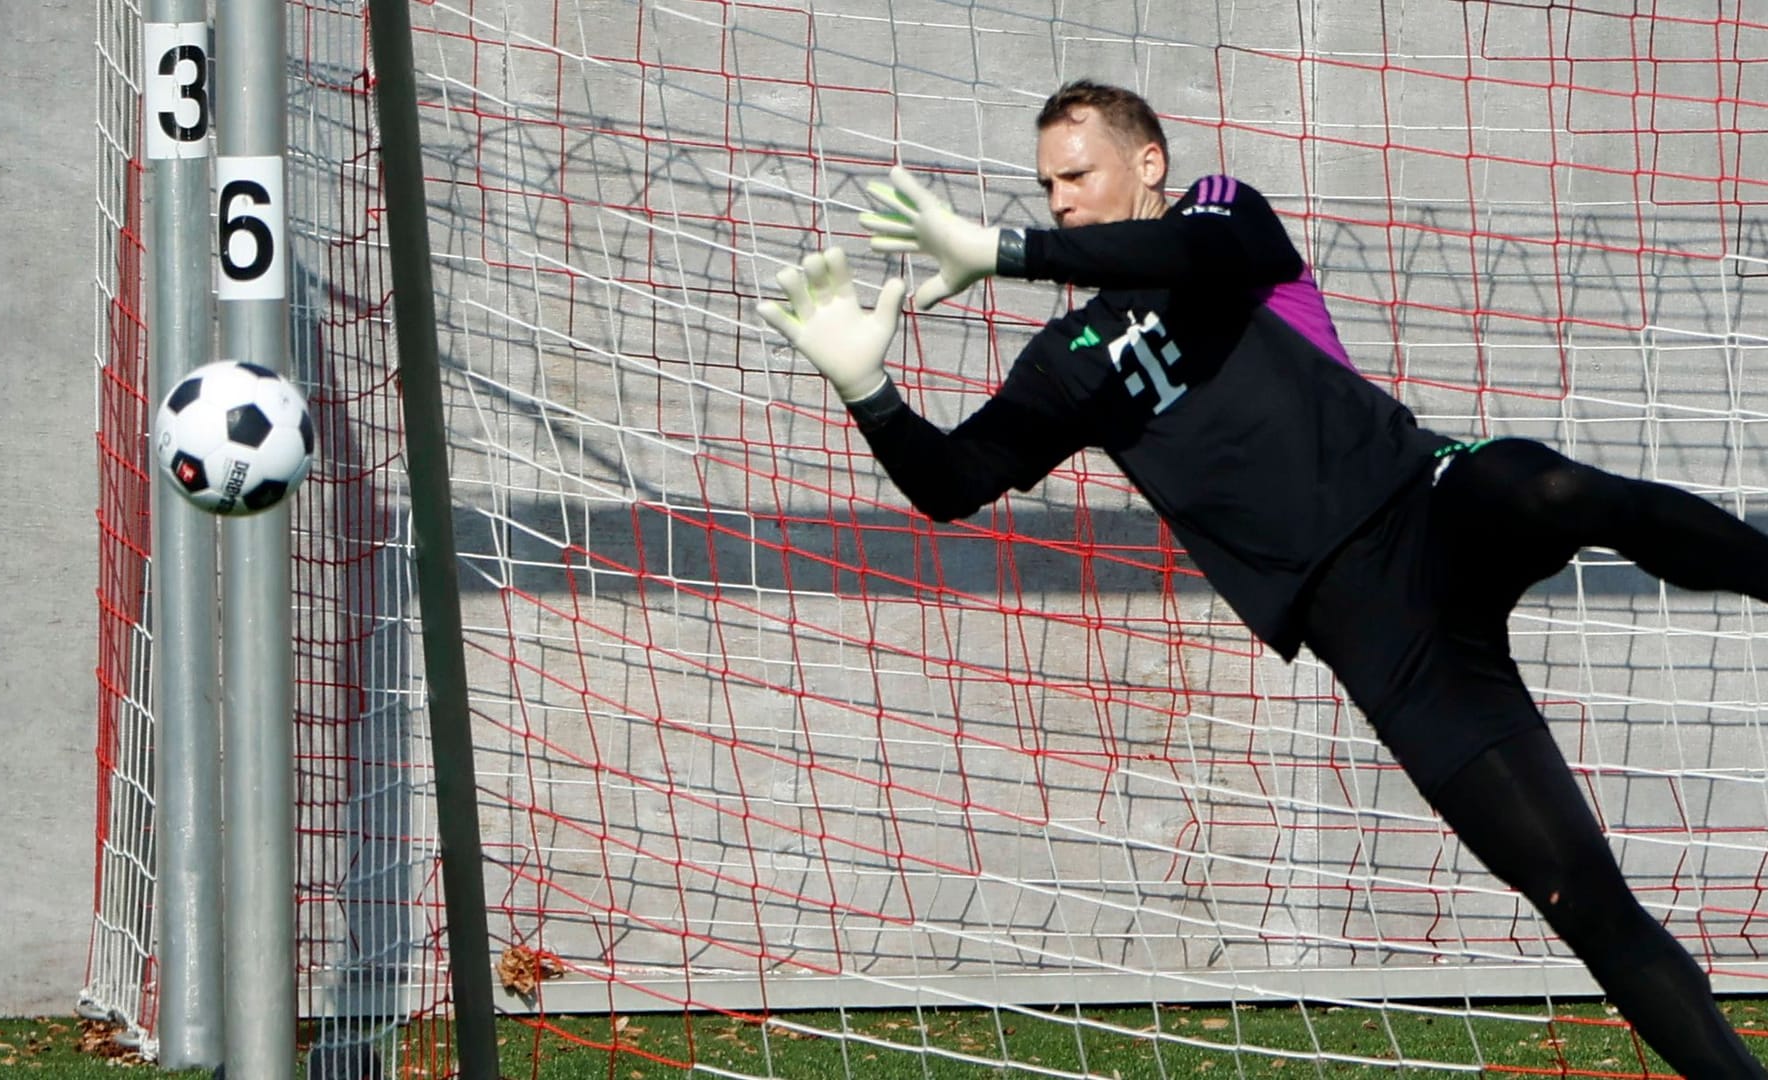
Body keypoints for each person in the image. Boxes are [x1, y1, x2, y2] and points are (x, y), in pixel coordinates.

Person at [755, 78, 1768, 1076]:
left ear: (1148, 163)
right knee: (1576, 895)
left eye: (1077, 174)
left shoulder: (1222, 219)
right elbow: (952, 482)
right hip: (1375, 632)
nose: (1059, 200)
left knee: (1544, 486)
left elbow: (1191, 252)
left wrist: (1009, 252)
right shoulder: (1067, 359)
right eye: (1045, 187)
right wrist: (867, 389)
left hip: (1428, 503)